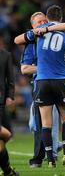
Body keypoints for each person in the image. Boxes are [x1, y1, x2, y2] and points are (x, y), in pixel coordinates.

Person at [15, 7, 65, 168]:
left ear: (48, 20)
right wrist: (48, 66)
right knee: (44, 124)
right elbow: (24, 69)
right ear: (33, 26)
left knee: (62, 123)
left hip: (44, 82)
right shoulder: (34, 40)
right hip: (49, 81)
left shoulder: (42, 36)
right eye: (39, 23)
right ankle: (42, 158)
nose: (42, 24)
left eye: (44, 21)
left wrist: (47, 67)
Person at [0, 37, 19, 175]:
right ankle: (7, 170)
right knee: (4, 135)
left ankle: (7, 170)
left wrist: (9, 96)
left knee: (4, 136)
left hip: (0, 100)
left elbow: (10, 78)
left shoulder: (6, 55)